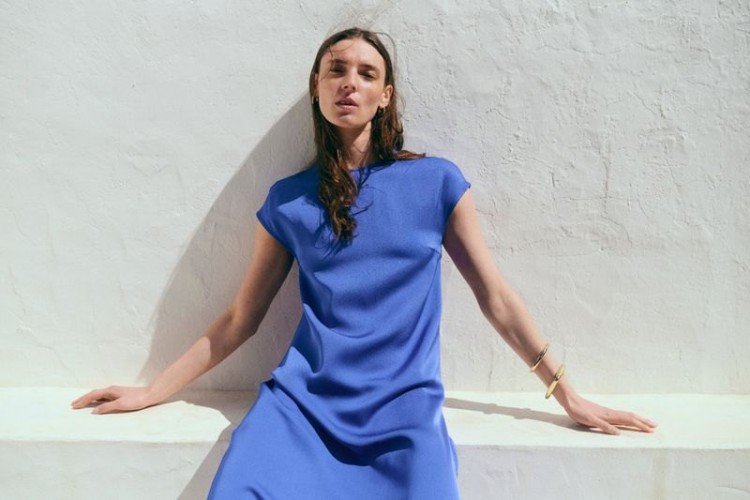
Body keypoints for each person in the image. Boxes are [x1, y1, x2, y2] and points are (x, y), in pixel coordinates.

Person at [71, 27, 657, 499]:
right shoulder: (288, 201)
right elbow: (240, 319)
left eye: (366, 73)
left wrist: (567, 394)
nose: (349, 82)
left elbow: (496, 299)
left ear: (385, 96)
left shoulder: (436, 183)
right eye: (336, 70)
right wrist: (153, 391)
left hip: (405, 414)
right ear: (317, 88)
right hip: (301, 411)